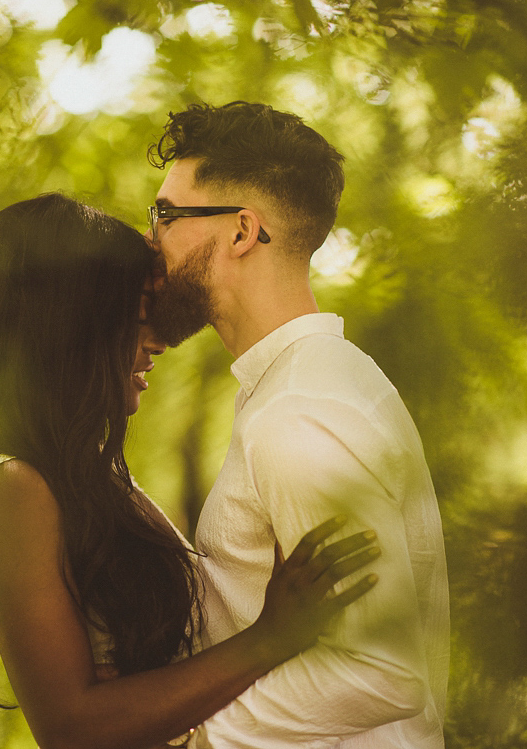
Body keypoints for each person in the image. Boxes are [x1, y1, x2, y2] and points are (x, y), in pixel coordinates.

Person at [0, 193, 381, 749]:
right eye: (134, 317)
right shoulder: (11, 489)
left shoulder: (74, 479)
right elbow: (72, 727)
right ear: (68, 329)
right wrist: (269, 639)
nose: (156, 342)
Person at [145, 101, 450, 748]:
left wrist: (198, 739)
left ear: (240, 231)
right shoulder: (296, 387)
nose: (152, 238)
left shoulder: (302, 409)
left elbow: (382, 669)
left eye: (166, 215)